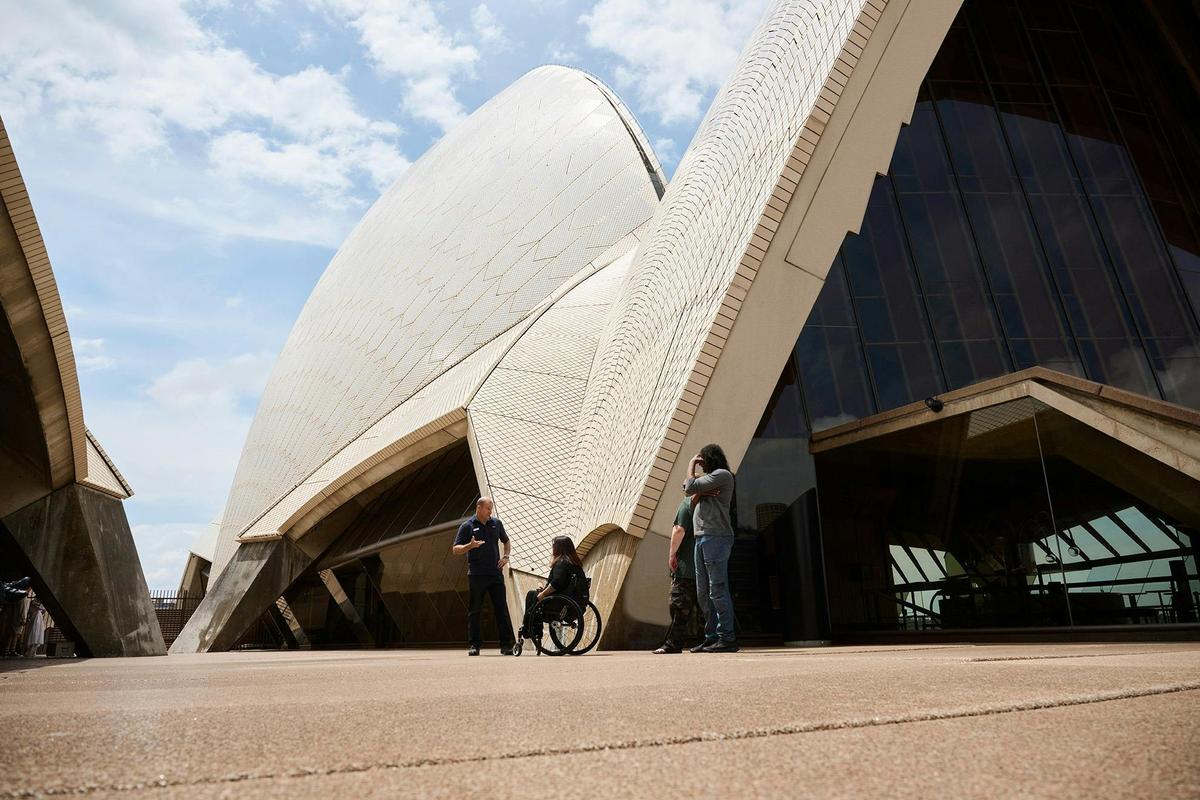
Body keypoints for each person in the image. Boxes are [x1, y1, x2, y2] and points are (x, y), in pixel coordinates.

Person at [684, 443, 739, 653]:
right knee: (702, 592)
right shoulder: (709, 481)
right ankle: (711, 637)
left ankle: (727, 637)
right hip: (701, 538)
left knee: (717, 589)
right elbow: (690, 498)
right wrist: (701, 490)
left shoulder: (723, 475)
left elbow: (689, 487)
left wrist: (691, 467)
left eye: (702, 460)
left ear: (709, 459)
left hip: (716, 537)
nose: (701, 463)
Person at [452, 497, 516, 656]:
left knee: (501, 609)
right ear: (479, 508)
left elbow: (506, 541)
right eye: (488, 508)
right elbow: (455, 549)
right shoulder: (467, 526)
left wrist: (506, 557)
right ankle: (474, 645)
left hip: (495, 574)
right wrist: (469, 546)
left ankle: (506, 645)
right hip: (477, 575)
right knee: (475, 611)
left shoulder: (496, 523)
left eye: (491, 509)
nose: (490, 512)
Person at [653, 497, 705, 654]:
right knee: (704, 608)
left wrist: (671, 555)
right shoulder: (709, 506)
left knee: (678, 607)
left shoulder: (685, 505)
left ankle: (673, 643)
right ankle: (706, 641)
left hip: (686, 568)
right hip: (704, 567)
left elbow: (679, 530)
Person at [521, 536, 587, 640]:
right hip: (577, 603)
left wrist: (543, 594)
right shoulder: (576, 564)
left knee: (532, 595)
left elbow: (557, 583)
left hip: (560, 604)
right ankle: (534, 630)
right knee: (536, 595)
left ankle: (529, 629)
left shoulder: (561, 563)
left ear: (558, 548)